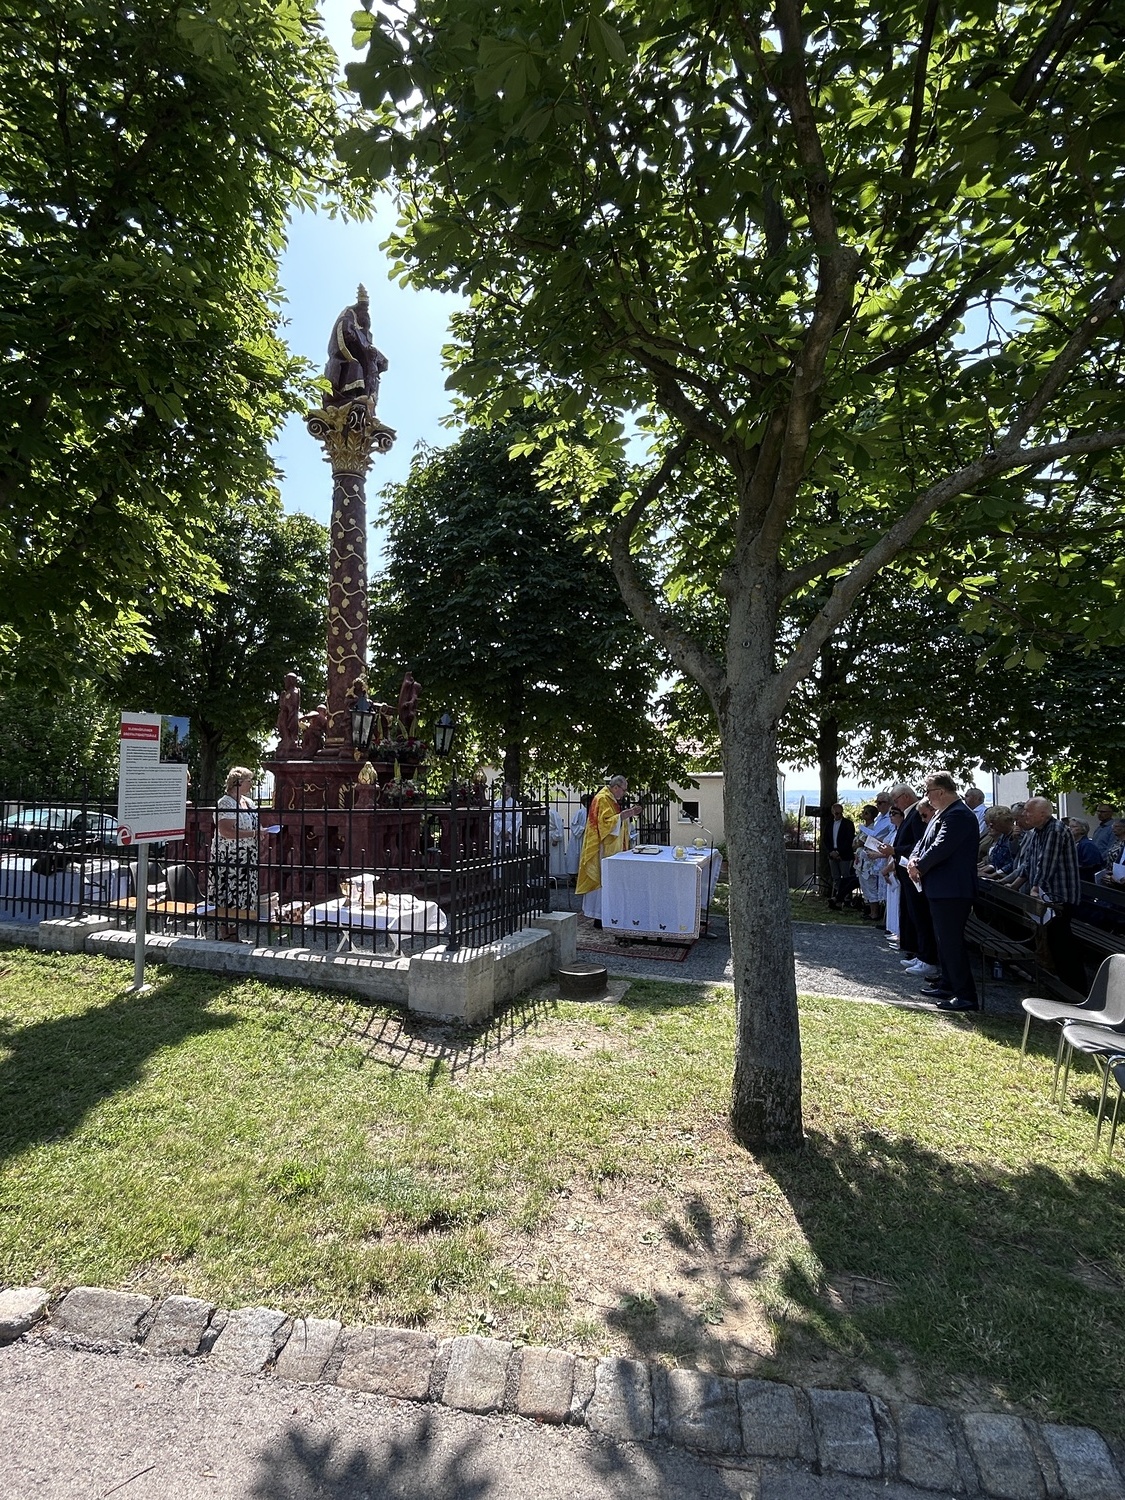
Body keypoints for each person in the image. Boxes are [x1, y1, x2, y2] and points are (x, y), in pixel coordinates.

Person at [908, 772, 981, 1012]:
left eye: (928, 791)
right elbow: (923, 842)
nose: (927, 797)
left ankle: (966, 995)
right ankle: (948, 984)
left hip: (953, 889)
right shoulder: (943, 813)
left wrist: (919, 866)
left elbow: (941, 847)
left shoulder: (959, 814)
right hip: (941, 888)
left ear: (940, 791)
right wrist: (914, 859)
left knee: (951, 942)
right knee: (943, 941)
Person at [1016, 795, 1086, 994]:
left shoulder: (1055, 830)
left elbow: (1046, 864)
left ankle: (1075, 990)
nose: (1024, 814)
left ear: (1043, 814)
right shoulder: (1038, 831)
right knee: (1053, 942)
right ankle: (1060, 984)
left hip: (1059, 897)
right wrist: (1013, 884)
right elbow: (1030, 862)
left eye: (1028, 811)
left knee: (1062, 943)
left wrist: (1035, 889)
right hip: (1048, 896)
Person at [210, 766, 268, 939]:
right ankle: (226, 934)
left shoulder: (248, 802)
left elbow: (253, 823)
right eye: (249, 781)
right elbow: (226, 831)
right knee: (227, 893)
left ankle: (235, 932)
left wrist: (261, 832)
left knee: (242, 895)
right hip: (229, 856)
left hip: (247, 856)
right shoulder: (225, 803)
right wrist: (253, 833)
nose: (251, 784)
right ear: (238, 782)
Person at [575, 776, 641, 923]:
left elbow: (613, 820)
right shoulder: (603, 799)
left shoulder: (610, 799)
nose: (624, 793)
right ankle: (599, 915)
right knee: (601, 879)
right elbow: (603, 824)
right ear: (616, 787)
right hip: (600, 847)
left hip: (608, 846)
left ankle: (605, 914)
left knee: (607, 880)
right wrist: (624, 815)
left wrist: (625, 816)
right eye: (623, 790)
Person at [325, 284, 389, 407]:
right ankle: (350, 395)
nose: (366, 315)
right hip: (343, 359)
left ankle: (367, 397)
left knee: (372, 368)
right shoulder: (347, 320)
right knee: (355, 366)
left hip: (362, 361)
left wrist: (380, 359)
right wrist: (358, 352)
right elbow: (345, 338)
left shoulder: (363, 330)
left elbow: (367, 346)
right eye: (363, 310)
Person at [826, 803, 855, 909]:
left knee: (846, 876)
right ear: (832, 813)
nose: (838, 815)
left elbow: (849, 840)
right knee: (836, 877)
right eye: (836, 813)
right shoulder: (829, 824)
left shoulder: (848, 824)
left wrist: (839, 852)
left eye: (840, 813)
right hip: (832, 854)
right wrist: (831, 852)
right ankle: (838, 897)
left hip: (845, 855)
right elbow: (826, 839)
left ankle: (847, 898)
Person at [566, 795, 591, 880]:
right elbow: (574, 825)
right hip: (579, 838)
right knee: (576, 857)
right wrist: (583, 829)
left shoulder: (593, 812)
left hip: (588, 837)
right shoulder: (580, 812)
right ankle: (574, 876)